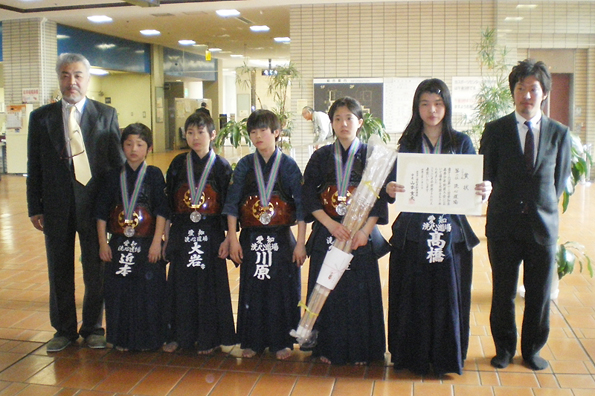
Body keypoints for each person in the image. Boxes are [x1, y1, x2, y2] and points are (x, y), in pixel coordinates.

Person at [385, 79, 491, 375]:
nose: (432, 110)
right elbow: (390, 185)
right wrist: (390, 187)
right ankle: (411, 355)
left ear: (447, 106)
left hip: (451, 231)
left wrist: (483, 188)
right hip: (414, 231)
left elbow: (473, 184)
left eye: (438, 103)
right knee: (413, 293)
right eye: (425, 103)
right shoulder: (407, 143)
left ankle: (446, 356)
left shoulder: (461, 142)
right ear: (416, 107)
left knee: (448, 294)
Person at [27, 53, 123, 352]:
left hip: (95, 208)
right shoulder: (41, 117)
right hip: (56, 207)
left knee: (96, 268)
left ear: (88, 79)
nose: (72, 82)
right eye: (66, 75)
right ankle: (64, 330)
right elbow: (34, 165)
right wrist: (35, 206)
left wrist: (117, 207)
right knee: (59, 267)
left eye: (78, 75)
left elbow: (116, 164)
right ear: (59, 78)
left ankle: (94, 327)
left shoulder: (106, 115)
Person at [479, 59, 571, 371]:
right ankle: (504, 349)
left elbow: (559, 182)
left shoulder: (559, 134)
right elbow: (486, 175)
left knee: (539, 294)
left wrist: (541, 207)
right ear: (513, 92)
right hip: (503, 226)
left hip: (542, 227)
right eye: (520, 89)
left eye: (533, 89)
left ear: (544, 93)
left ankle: (532, 350)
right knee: (503, 292)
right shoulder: (495, 131)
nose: (526, 95)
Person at [302, 97, 387, 365]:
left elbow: (380, 197)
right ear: (331, 124)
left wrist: (364, 231)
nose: (343, 124)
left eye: (349, 118)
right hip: (329, 233)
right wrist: (330, 225)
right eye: (337, 119)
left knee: (358, 294)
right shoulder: (321, 156)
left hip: (360, 237)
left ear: (359, 123)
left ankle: (364, 349)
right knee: (328, 291)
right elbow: (308, 196)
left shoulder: (373, 156)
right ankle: (326, 347)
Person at [222, 109, 306, 360]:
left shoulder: (288, 165)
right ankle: (253, 340)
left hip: (280, 237)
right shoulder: (246, 165)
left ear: (277, 133)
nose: (257, 136)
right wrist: (232, 238)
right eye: (253, 131)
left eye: (263, 130)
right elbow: (232, 203)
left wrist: (300, 243)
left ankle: (283, 341)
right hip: (251, 237)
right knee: (253, 290)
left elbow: (301, 206)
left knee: (282, 290)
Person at [162, 112, 236, 354]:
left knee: (209, 286)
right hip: (183, 231)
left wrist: (228, 237)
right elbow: (168, 204)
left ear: (212, 135)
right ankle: (178, 335)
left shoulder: (222, 167)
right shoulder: (177, 164)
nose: (195, 138)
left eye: (201, 132)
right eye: (190, 133)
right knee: (180, 285)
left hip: (211, 231)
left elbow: (229, 206)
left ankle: (210, 338)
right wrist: (166, 236)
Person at [95, 123, 168, 351]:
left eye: (139, 144)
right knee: (119, 292)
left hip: (147, 243)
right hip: (118, 243)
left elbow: (162, 211)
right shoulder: (112, 176)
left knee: (148, 292)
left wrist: (157, 242)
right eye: (128, 144)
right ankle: (120, 338)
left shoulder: (154, 175)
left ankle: (150, 339)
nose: (133, 149)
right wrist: (102, 243)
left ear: (149, 148)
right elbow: (101, 212)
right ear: (122, 147)